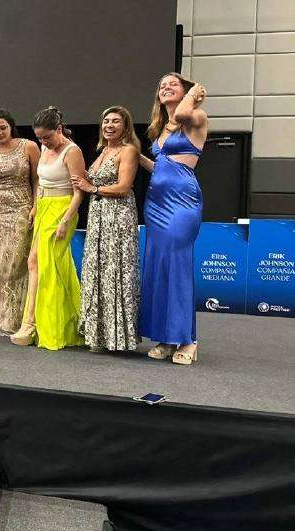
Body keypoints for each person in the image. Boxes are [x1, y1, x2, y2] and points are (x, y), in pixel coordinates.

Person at [138, 74, 208, 366]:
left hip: (182, 202)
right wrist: (134, 156)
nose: (166, 87)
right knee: (159, 267)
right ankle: (166, 337)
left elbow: (181, 114)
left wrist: (194, 95)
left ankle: (188, 340)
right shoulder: (161, 129)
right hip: (156, 203)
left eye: (173, 84)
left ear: (186, 91)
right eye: (162, 85)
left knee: (177, 267)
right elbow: (160, 167)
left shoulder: (196, 117)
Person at [12, 107, 85, 350]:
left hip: (63, 209)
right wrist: (36, 206)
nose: (44, 141)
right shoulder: (44, 148)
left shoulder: (72, 151)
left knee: (48, 267)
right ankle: (36, 321)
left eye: (47, 136)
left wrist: (65, 220)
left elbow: (79, 192)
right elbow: (41, 181)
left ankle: (36, 324)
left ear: (59, 129)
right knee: (35, 262)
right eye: (40, 137)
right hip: (44, 208)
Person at [71, 106, 141, 352]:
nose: (109, 125)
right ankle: (99, 335)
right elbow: (90, 179)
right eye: (106, 121)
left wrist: (92, 189)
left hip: (118, 218)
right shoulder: (103, 151)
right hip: (98, 218)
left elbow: (123, 187)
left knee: (115, 272)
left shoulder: (128, 151)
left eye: (115, 121)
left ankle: (119, 338)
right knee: (97, 272)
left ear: (126, 126)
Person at [0, 109, 39, 336]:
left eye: (3, 128)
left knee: (13, 264)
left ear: (11, 127)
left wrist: (36, 206)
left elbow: (37, 179)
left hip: (20, 209)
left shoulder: (29, 146)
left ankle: (16, 315)